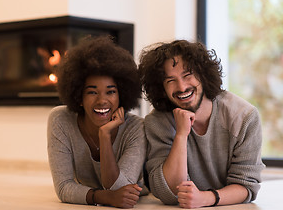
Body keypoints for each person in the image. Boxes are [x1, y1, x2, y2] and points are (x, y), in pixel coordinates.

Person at [138, 39, 265, 209]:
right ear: (161, 89)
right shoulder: (157, 122)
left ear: (203, 75)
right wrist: (181, 135)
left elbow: (246, 186)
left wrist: (205, 198)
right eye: (171, 81)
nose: (181, 87)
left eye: (187, 75)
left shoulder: (243, 116)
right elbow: (168, 192)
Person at [47, 35, 147, 208]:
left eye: (110, 92)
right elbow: (63, 188)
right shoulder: (60, 120)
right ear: (79, 97)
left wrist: (105, 135)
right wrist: (105, 198)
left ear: (121, 95)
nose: (102, 101)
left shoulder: (136, 127)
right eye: (92, 92)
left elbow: (120, 188)